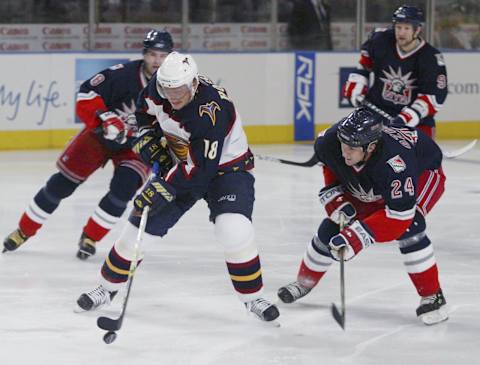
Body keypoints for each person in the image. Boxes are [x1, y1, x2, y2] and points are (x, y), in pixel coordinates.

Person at [75, 52, 280, 322]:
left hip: (226, 171)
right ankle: (108, 287)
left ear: (193, 84)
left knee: (233, 230)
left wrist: (162, 187)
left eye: (179, 89)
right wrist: (149, 142)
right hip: (183, 165)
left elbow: (200, 171)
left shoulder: (209, 110)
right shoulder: (158, 88)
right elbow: (144, 117)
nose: (173, 95)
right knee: (137, 228)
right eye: (167, 88)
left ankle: (253, 297)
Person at [2, 30, 174, 260]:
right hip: (98, 137)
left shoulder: (174, 86)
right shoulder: (122, 75)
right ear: (144, 54)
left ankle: (90, 237)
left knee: (122, 192)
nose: (157, 61)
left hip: (136, 147)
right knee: (60, 185)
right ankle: (24, 230)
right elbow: (86, 92)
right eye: (152, 54)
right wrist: (104, 117)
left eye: (163, 56)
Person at [278, 107, 448, 325]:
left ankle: (433, 296)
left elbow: (399, 218)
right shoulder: (330, 142)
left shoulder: (396, 164)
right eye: (343, 144)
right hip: (375, 178)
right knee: (333, 226)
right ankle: (304, 282)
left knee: (411, 226)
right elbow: (333, 166)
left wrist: (355, 238)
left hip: (423, 174)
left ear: (371, 146)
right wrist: (336, 197)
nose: (344, 151)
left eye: (351, 148)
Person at [343, 5, 448, 138]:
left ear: (417, 30)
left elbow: (433, 96)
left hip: (415, 122)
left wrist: (405, 118)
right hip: (376, 111)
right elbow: (364, 66)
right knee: (345, 141)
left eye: (406, 28)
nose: (401, 32)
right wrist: (356, 86)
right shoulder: (381, 41)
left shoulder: (430, 58)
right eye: (398, 27)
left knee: (422, 156)